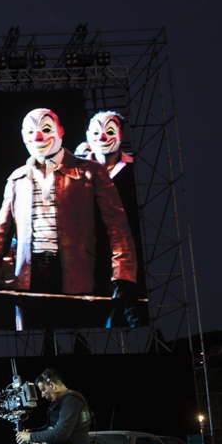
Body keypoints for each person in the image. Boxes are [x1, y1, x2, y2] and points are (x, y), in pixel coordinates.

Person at [0, 109, 137, 330]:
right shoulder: (18, 178)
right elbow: (1, 230)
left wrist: (123, 276)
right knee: (32, 347)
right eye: (31, 131)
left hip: (77, 278)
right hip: (29, 279)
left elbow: (117, 228)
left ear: (60, 131)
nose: (38, 137)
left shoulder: (91, 172)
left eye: (46, 129)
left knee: (80, 344)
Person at [82, 111, 143, 328]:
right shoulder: (76, 171)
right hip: (90, 257)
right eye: (97, 132)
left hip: (127, 256)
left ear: (121, 134)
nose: (103, 137)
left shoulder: (136, 170)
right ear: (88, 135)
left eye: (109, 131)